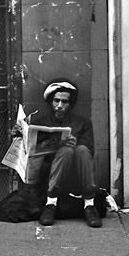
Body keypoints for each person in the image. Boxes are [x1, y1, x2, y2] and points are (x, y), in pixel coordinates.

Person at [24, 80, 102, 228]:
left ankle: (89, 205)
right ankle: (51, 204)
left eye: (64, 102)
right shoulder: (42, 123)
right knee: (65, 151)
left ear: (70, 104)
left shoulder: (83, 122)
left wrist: (76, 143)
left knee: (81, 149)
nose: (60, 105)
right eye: (56, 101)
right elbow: (33, 151)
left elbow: (89, 150)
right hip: (49, 175)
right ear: (50, 102)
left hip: (76, 175)